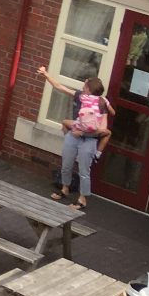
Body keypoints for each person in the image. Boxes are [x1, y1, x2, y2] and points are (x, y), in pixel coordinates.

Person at [40, 66, 112, 209]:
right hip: (74, 136)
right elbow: (60, 87)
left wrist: (83, 132)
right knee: (66, 165)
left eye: (85, 86)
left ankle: (82, 198)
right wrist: (45, 74)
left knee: (84, 170)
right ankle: (64, 189)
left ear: (90, 89)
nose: (82, 88)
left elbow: (102, 129)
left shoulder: (101, 104)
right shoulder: (80, 96)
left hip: (89, 140)